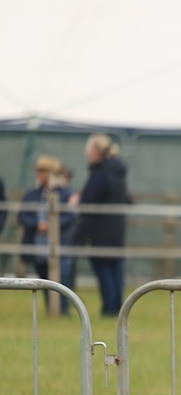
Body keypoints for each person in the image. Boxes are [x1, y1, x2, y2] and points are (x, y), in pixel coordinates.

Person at [74, 133, 131, 316]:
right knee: (115, 268)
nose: (87, 155)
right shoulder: (118, 173)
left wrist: (79, 201)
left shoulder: (100, 174)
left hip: (100, 230)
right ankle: (117, 307)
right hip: (116, 229)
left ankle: (109, 308)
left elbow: (89, 202)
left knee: (104, 267)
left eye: (89, 151)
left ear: (97, 152)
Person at [17, 155, 77, 312]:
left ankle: (63, 311)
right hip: (37, 245)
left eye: (42, 171)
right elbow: (22, 215)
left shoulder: (66, 193)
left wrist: (51, 226)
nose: (38, 175)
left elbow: (70, 216)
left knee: (62, 280)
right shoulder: (32, 194)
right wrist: (37, 225)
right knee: (43, 279)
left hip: (59, 245)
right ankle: (51, 310)